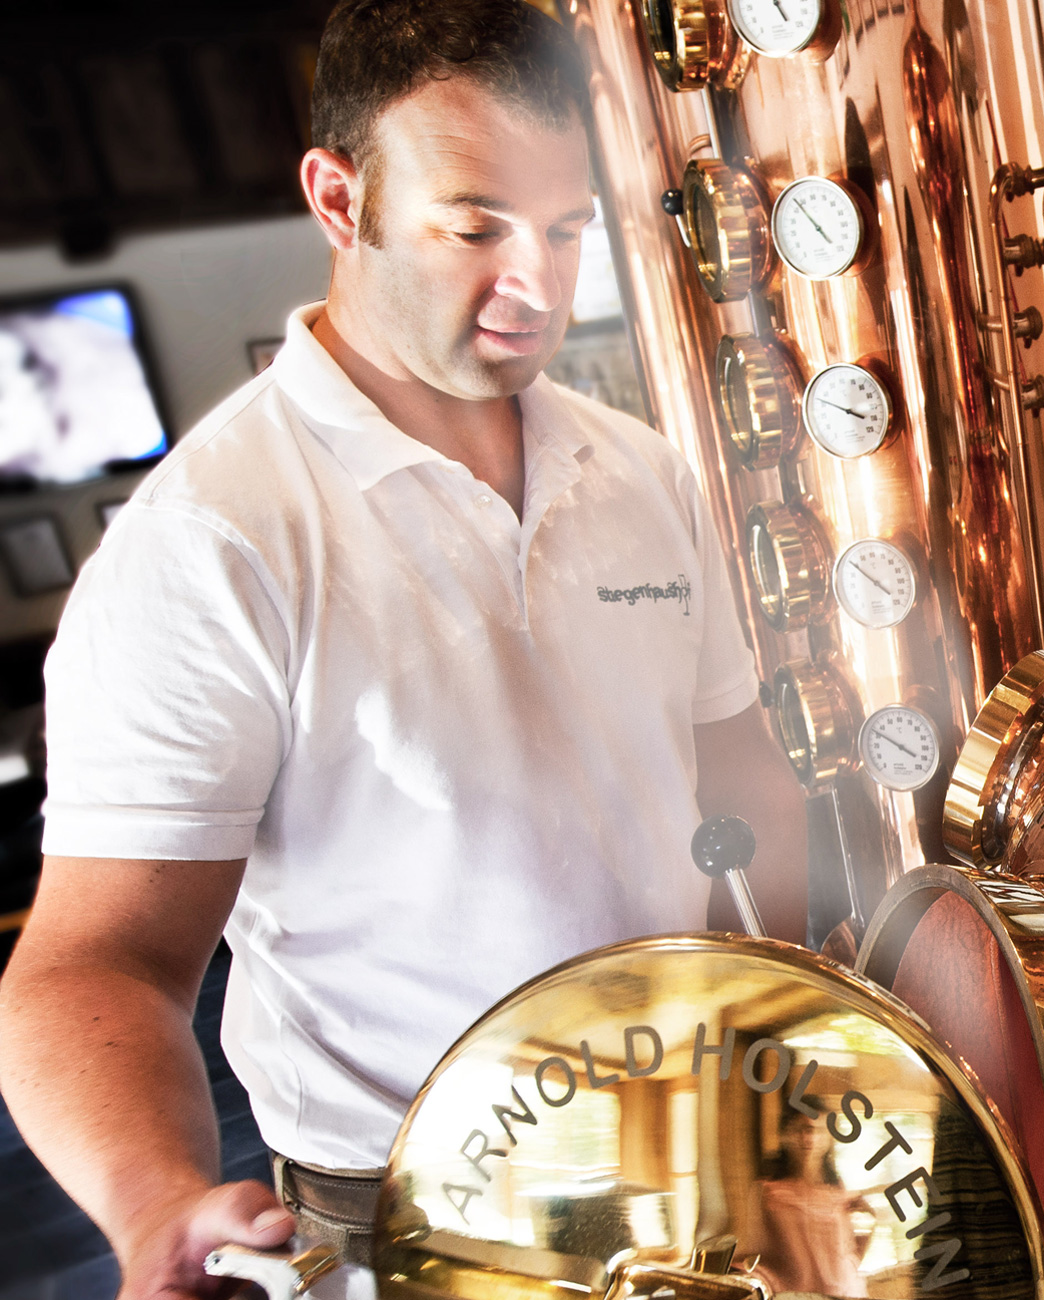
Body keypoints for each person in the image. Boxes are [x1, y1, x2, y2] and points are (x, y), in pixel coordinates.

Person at [0, 2, 808, 1296]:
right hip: (420, 1220)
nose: (537, 285)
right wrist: (152, 1203)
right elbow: (100, 963)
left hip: (704, 1158)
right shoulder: (210, 545)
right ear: (340, 199)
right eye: (475, 229)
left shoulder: (642, 472)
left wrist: (819, 1020)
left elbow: (739, 775)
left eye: (565, 229)